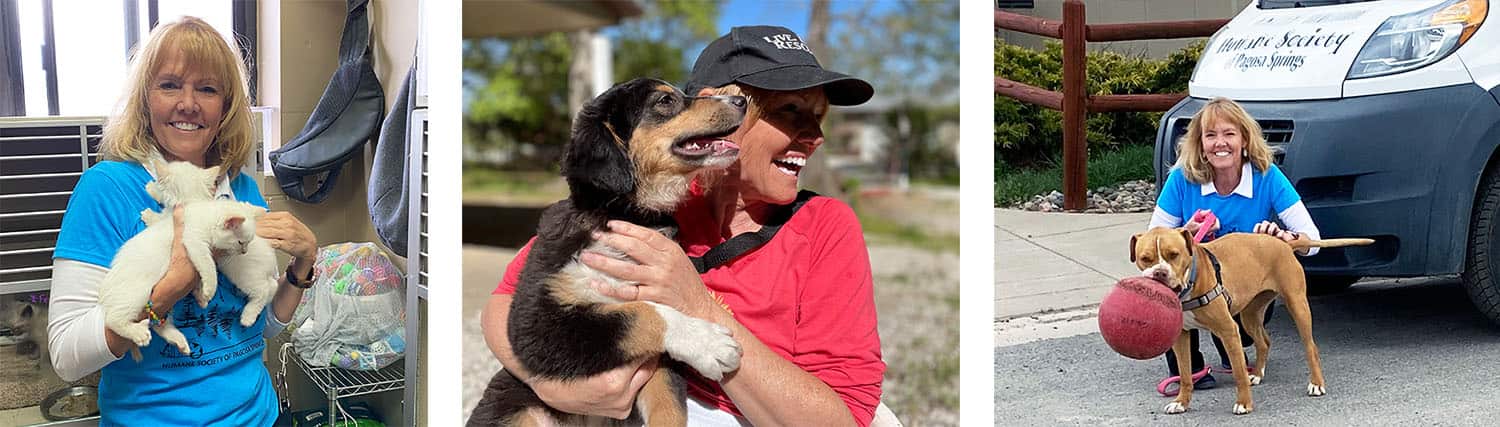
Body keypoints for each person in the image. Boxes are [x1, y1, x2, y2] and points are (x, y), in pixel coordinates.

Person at [482, 26, 886, 426]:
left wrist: (696, 306)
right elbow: (505, 303)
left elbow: (842, 418)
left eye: (818, 118)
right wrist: (551, 384)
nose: (814, 136)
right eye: (789, 111)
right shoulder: (646, 201)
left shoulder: (825, 226)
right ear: (717, 107)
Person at [48, 17, 318, 425]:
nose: (188, 103)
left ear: (225, 107)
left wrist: (302, 267)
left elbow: (258, 330)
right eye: (170, 84)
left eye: (207, 89)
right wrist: (173, 284)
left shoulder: (241, 189)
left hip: (259, 416)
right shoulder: (108, 189)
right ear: (145, 99)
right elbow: (67, 356)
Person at [1149, 97, 1319, 395]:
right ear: (1199, 143)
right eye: (1210, 135)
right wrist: (1184, 234)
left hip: (1241, 286)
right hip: (1191, 286)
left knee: (1232, 329)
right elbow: (1153, 246)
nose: (1220, 143)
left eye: (1229, 134)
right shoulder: (1181, 178)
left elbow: (1311, 240)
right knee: (1164, 290)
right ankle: (1190, 369)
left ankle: (1234, 350)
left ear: (1244, 139)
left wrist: (1280, 237)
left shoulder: (1266, 175)